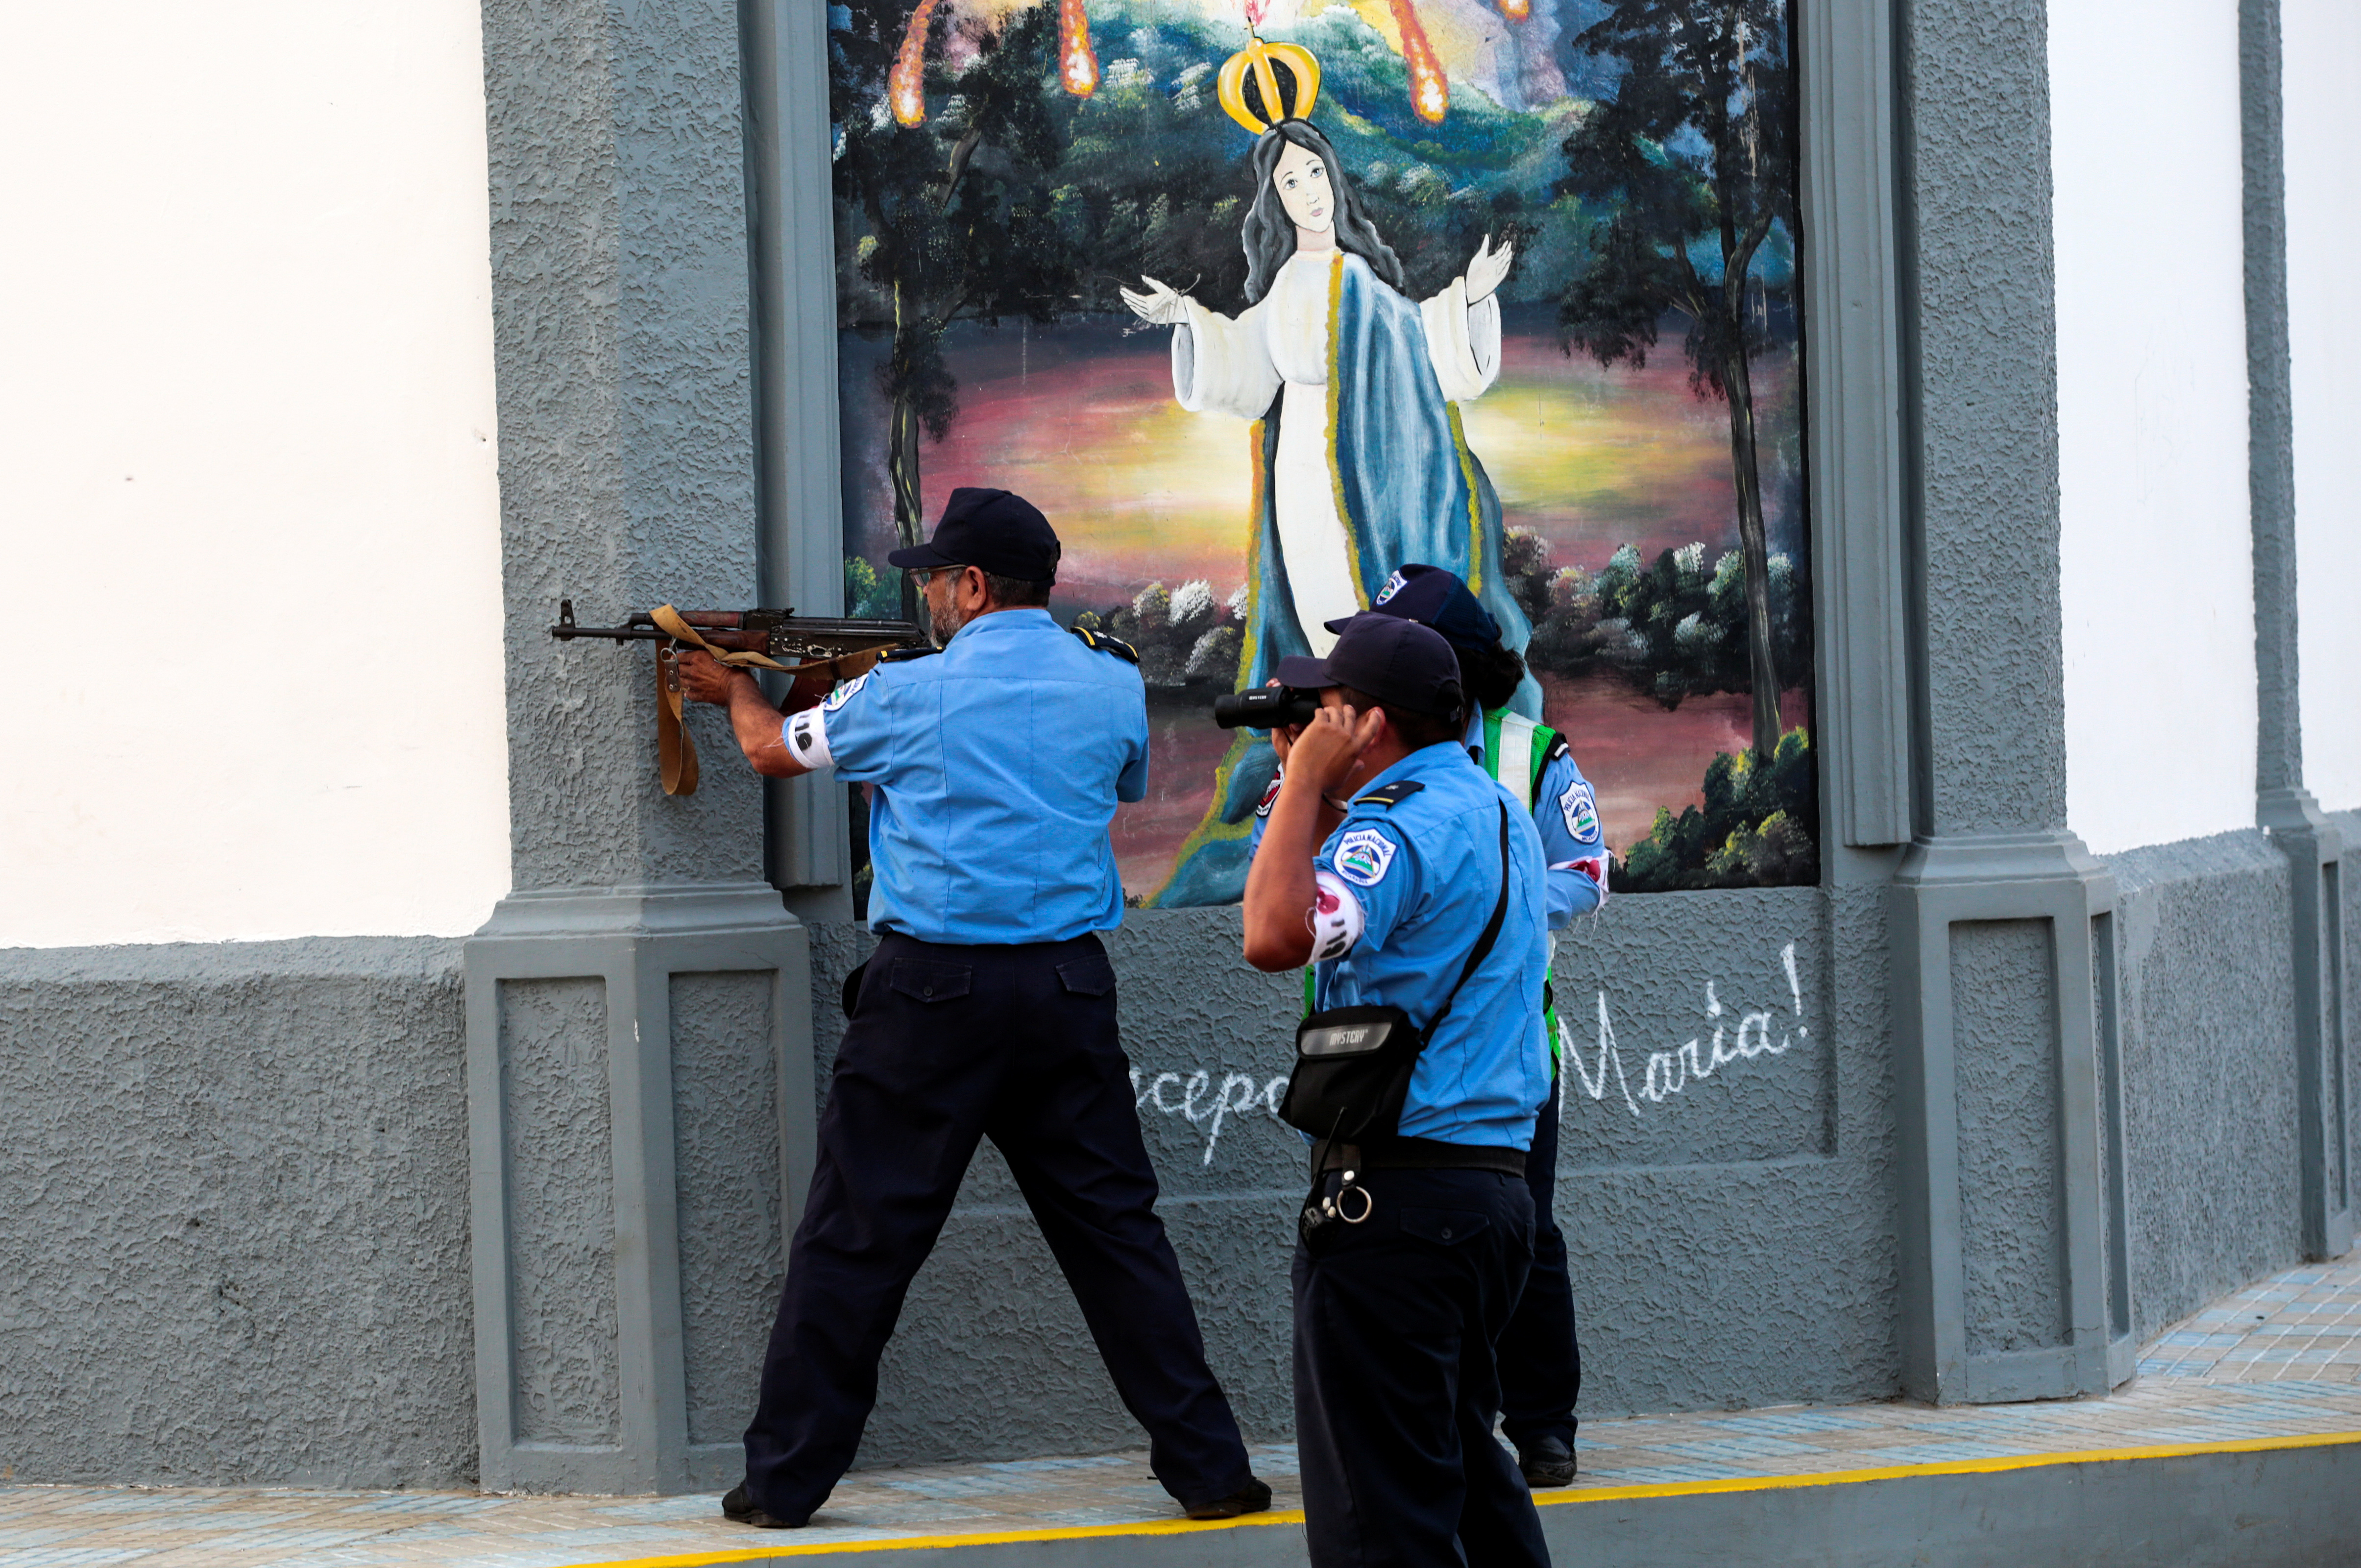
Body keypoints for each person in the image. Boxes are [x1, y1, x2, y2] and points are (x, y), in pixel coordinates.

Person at [676, 486, 1270, 1529]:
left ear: (974, 584)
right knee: (1116, 1235)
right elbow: (1124, 783)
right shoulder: (1109, 681)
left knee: (858, 1236)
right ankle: (1211, 1467)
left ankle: (783, 1481)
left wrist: (730, 688)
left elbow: (771, 752)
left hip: (932, 994)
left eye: (936, 580)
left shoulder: (908, 694)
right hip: (1067, 987)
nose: (930, 597)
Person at [1120, 43, 1536, 907]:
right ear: (1273, 201)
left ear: (1334, 181)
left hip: (1371, 479)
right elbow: (1244, 368)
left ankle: (1380, 756)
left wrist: (1468, 296)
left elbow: (1422, 345)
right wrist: (1187, 317)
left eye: (1314, 175)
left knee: (1367, 609)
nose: (1306, 192)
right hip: (1302, 478)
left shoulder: (1359, 280)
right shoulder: (1281, 290)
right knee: (1320, 618)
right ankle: (1334, 764)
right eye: (1289, 184)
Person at [1242, 610, 1554, 1568]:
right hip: (1488, 1196)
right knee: (1460, 1466)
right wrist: (1325, 791)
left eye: (1331, 705)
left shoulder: (1395, 830)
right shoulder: (1492, 805)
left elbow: (1273, 932)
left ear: (1372, 724)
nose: (1313, 719)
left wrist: (1299, 783)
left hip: (1398, 1205)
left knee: (1379, 1510)